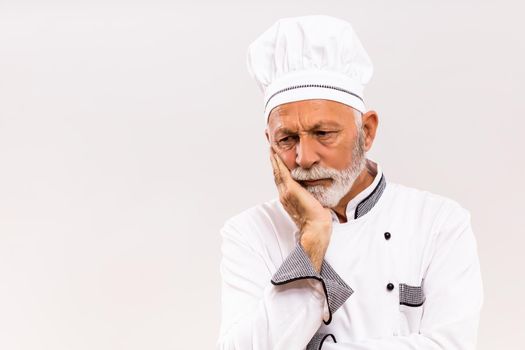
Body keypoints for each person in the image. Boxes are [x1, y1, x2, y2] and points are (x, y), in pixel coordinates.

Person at [216, 15, 483, 350]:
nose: (304, 158)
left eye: (323, 133)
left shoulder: (439, 222)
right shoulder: (249, 232)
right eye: (286, 139)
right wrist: (311, 240)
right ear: (270, 143)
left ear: (366, 132)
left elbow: (451, 346)